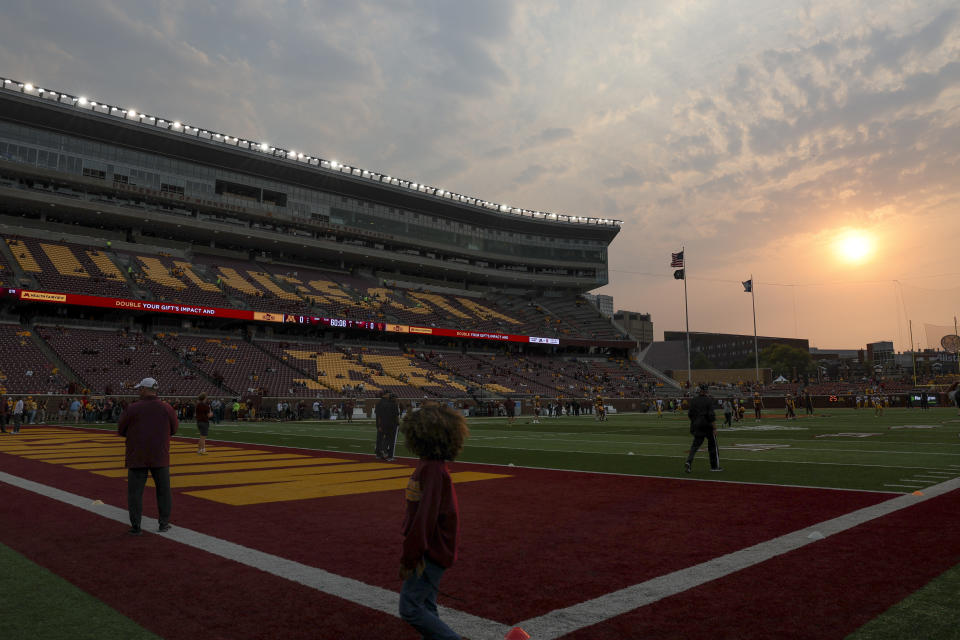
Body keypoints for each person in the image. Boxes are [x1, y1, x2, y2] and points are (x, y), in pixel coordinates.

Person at [398, 403, 469, 640]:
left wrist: (411, 556)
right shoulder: (429, 466)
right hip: (431, 548)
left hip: (430, 552)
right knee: (427, 607)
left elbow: (425, 518)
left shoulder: (432, 470)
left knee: (410, 608)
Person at [117, 377, 178, 535]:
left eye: (140, 389)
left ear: (144, 389)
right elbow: (174, 429)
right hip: (160, 455)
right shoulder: (166, 408)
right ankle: (164, 523)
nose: (138, 391)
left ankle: (136, 526)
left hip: (137, 455)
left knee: (135, 493)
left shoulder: (133, 408)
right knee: (164, 491)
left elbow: (121, 429)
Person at [685, 385, 721, 473]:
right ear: (706, 391)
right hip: (707, 425)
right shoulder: (708, 400)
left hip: (697, 425)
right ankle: (714, 466)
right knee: (713, 446)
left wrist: (695, 422)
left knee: (694, 446)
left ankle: (688, 461)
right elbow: (711, 415)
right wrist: (714, 428)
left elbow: (690, 414)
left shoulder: (693, 400)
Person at [376, 391, 401, 461]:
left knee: (386, 439)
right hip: (393, 425)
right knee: (392, 441)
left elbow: (380, 416)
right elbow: (396, 416)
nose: (397, 399)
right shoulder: (395, 405)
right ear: (393, 398)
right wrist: (399, 424)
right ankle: (390, 456)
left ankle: (383, 450)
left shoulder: (384, 404)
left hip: (385, 425)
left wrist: (380, 425)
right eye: (396, 397)